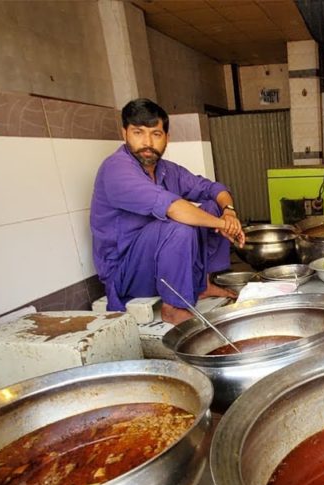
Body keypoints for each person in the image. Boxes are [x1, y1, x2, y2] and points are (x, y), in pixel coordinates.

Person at [91, 98, 245, 325]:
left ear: (166, 138)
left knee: (213, 207)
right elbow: (173, 208)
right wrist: (223, 225)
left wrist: (229, 213)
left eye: (155, 134)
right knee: (178, 225)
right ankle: (173, 307)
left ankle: (203, 284)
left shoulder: (167, 170)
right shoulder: (116, 169)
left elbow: (213, 189)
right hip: (128, 273)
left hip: (161, 264)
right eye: (138, 132)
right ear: (124, 133)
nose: (147, 142)